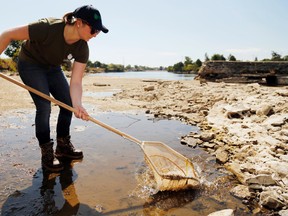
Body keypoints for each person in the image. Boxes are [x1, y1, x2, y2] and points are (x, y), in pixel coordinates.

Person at [0, 5, 108, 172]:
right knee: (44, 106)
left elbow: (76, 81)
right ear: (79, 22)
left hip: (52, 68)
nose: (95, 35)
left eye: (98, 32)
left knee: (68, 104)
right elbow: (8, 34)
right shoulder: (47, 27)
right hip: (30, 65)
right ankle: (47, 152)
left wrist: (78, 104)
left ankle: (63, 146)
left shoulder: (82, 47)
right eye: (93, 30)